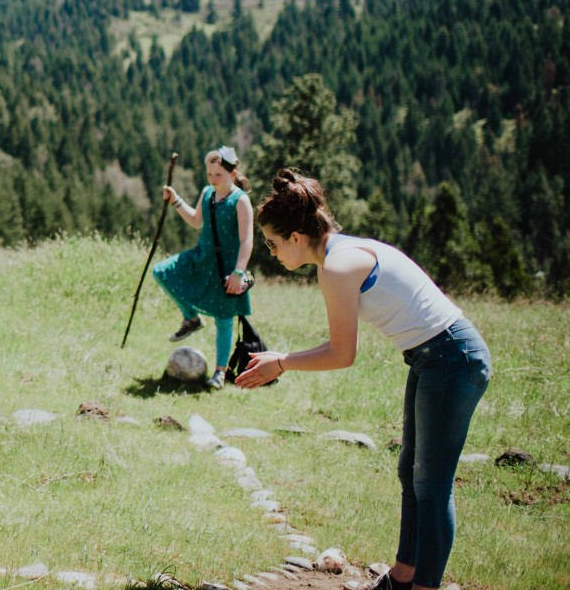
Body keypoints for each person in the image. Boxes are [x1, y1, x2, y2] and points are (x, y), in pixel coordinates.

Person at [237, 170, 490, 590]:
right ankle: (403, 577)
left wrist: (281, 362)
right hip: (433, 358)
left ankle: (424, 586)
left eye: (273, 243)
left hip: (452, 357)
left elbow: (342, 353)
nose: (273, 251)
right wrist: (281, 360)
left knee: (432, 483)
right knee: (411, 472)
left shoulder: (337, 266)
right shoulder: (341, 251)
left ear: (297, 237)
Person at [152, 146, 255, 389]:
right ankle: (191, 318)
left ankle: (219, 373)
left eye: (217, 175)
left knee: (224, 318)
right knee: (162, 271)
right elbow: (197, 221)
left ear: (233, 173)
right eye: (209, 174)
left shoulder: (241, 201)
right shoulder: (208, 193)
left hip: (227, 269)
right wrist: (176, 200)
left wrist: (239, 272)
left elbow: (246, 240)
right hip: (201, 258)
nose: (212, 179)